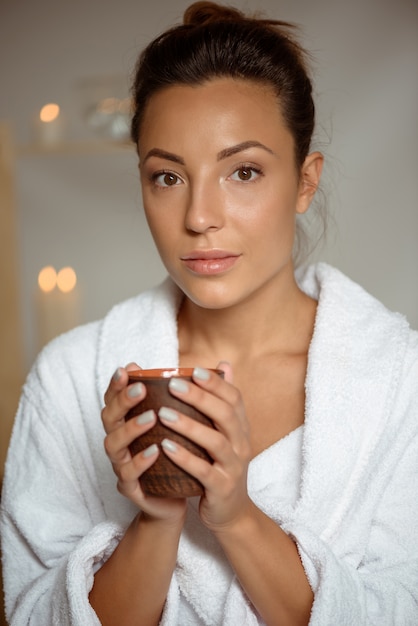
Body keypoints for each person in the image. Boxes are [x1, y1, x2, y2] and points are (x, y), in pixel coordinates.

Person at [1, 2, 417, 625]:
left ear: (306, 182)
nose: (199, 217)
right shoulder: (68, 377)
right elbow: (31, 615)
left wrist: (238, 517)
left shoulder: (398, 380)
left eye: (242, 171)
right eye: (167, 177)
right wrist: (158, 515)